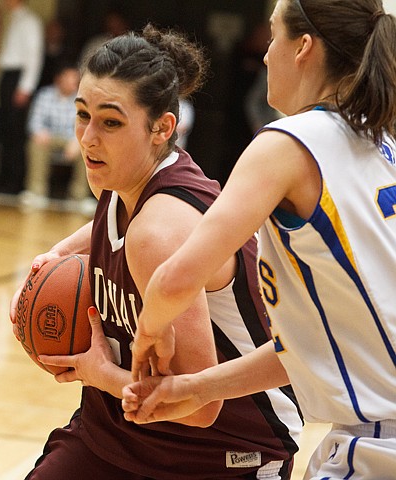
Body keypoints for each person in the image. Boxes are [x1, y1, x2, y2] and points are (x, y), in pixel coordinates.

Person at [11, 25, 302, 479]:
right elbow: (108, 226)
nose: (88, 137)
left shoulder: (160, 234)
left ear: (162, 128)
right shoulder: (127, 176)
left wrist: (100, 374)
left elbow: (199, 408)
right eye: (82, 114)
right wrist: (51, 259)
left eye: (110, 122)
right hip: (119, 431)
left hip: (220, 451)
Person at [124, 1, 396, 478]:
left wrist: (150, 335)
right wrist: (201, 387)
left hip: (380, 442)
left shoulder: (289, 144)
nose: (267, 55)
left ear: (303, 48)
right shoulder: (381, 142)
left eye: (273, 37)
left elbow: (175, 280)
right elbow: (317, 345)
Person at [20, 62, 92, 213]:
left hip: (72, 139)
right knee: (35, 143)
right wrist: (40, 132)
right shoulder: (44, 95)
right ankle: (36, 193)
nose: (74, 83)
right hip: (50, 138)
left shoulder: (82, 98)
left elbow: (86, 124)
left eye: (76, 79)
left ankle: (79, 198)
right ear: (59, 79)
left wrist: (76, 141)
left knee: (88, 146)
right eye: (70, 78)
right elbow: (34, 122)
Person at [0, 0, 43, 194]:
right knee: (4, 130)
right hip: (8, 76)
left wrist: (25, 87)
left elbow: (34, 56)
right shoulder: (12, 19)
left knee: (15, 132)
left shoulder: (30, 21)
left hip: (18, 78)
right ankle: (3, 179)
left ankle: (15, 182)